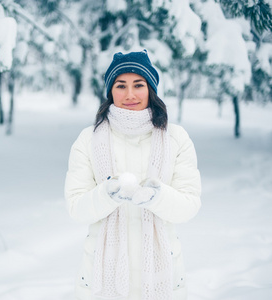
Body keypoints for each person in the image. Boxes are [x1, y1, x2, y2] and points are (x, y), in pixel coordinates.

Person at [64, 50, 201, 300]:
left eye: (138, 85)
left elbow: (189, 206)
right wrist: (107, 194)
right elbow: (76, 207)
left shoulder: (176, 138)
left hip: (162, 277)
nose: (130, 94)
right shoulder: (88, 140)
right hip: (101, 278)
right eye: (121, 85)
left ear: (151, 88)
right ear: (110, 91)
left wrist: (157, 196)